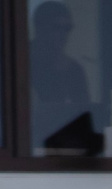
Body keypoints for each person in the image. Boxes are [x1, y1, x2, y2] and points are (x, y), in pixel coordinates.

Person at [27, 0, 90, 143]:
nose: (63, 35)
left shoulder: (74, 70)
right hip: (26, 142)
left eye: (67, 29)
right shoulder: (20, 63)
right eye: (57, 28)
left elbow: (83, 112)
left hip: (64, 142)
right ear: (40, 28)